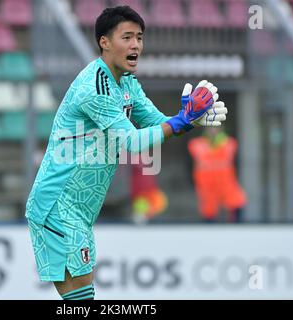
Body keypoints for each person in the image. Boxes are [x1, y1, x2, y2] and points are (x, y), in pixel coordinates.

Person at [25, 6, 227, 300]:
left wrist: (188, 120)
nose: (136, 45)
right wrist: (180, 121)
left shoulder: (127, 83)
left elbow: (156, 123)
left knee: (80, 296)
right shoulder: (95, 86)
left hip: (79, 208)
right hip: (57, 204)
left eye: (140, 38)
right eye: (127, 37)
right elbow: (132, 142)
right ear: (104, 42)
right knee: (81, 296)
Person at [188, 127, 247, 223]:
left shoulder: (229, 143)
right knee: (208, 211)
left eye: (215, 127)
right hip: (207, 186)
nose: (212, 130)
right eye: (210, 127)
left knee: (236, 204)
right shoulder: (196, 144)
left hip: (226, 183)